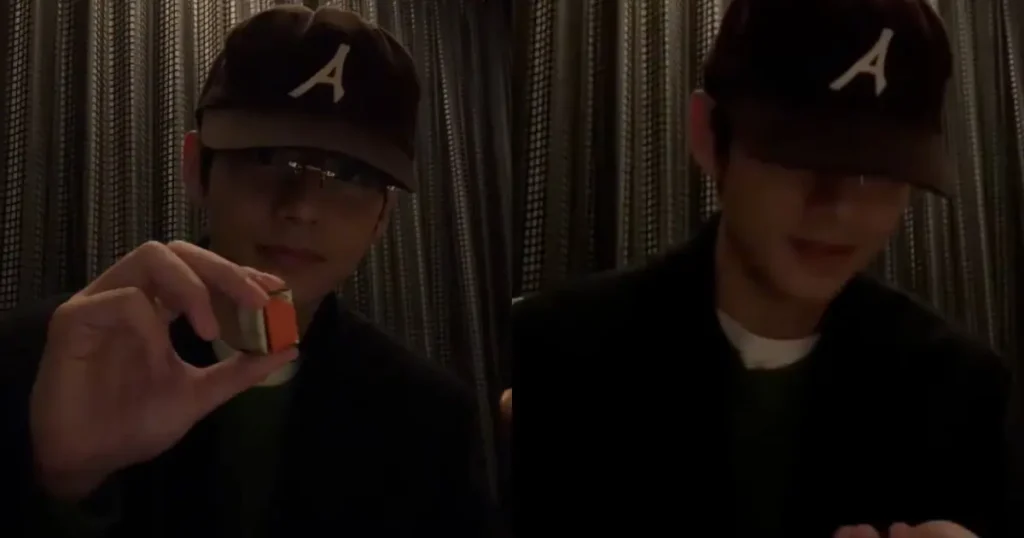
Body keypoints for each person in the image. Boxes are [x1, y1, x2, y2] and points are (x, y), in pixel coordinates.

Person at [510, 0, 1023, 537]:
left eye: (877, 170)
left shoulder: (961, 392)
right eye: (796, 156)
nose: (838, 209)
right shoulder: (553, 357)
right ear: (708, 136)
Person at [1, 5, 502, 537]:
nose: (302, 206)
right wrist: (61, 484)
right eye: (266, 157)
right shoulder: (40, 360)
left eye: (351, 174)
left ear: (383, 217)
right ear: (196, 168)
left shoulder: (431, 421)